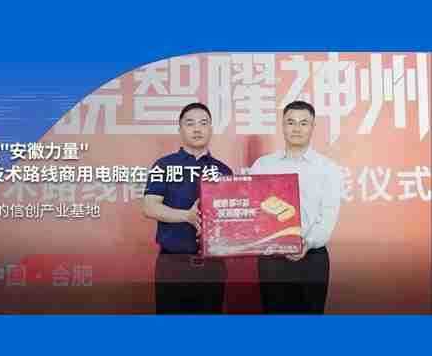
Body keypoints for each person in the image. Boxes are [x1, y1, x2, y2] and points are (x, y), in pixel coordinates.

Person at [250, 100, 342, 314]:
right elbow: (252, 208)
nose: (297, 128)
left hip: (312, 257)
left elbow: (328, 215)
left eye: (303, 123)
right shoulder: (263, 165)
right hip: (272, 257)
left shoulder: (327, 168)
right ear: (283, 126)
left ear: (312, 127)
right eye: (291, 122)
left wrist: (306, 243)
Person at [142, 102, 232, 314]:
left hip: (212, 266)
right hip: (173, 264)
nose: (197, 129)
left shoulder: (223, 170)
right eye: (190, 123)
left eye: (203, 123)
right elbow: (149, 207)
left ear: (211, 129)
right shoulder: (164, 166)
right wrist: (187, 216)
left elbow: (230, 216)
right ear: (180, 129)